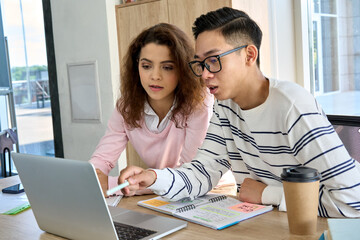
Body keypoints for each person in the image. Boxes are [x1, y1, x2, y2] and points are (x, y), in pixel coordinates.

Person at [119, 7, 360, 218]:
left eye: (213, 60)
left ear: (249, 55)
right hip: (267, 223)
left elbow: (352, 202)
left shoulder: (293, 108)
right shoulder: (225, 106)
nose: (204, 74)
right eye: (201, 63)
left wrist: (268, 194)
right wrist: (153, 177)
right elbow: (202, 172)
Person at [90, 23, 214, 196]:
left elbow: (189, 175)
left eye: (167, 67)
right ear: (136, 67)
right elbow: (102, 159)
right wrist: (93, 177)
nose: (155, 76)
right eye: (146, 66)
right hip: (162, 193)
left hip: (209, 191)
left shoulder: (199, 103)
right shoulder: (126, 106)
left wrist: (115, 184)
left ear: (183, 70)